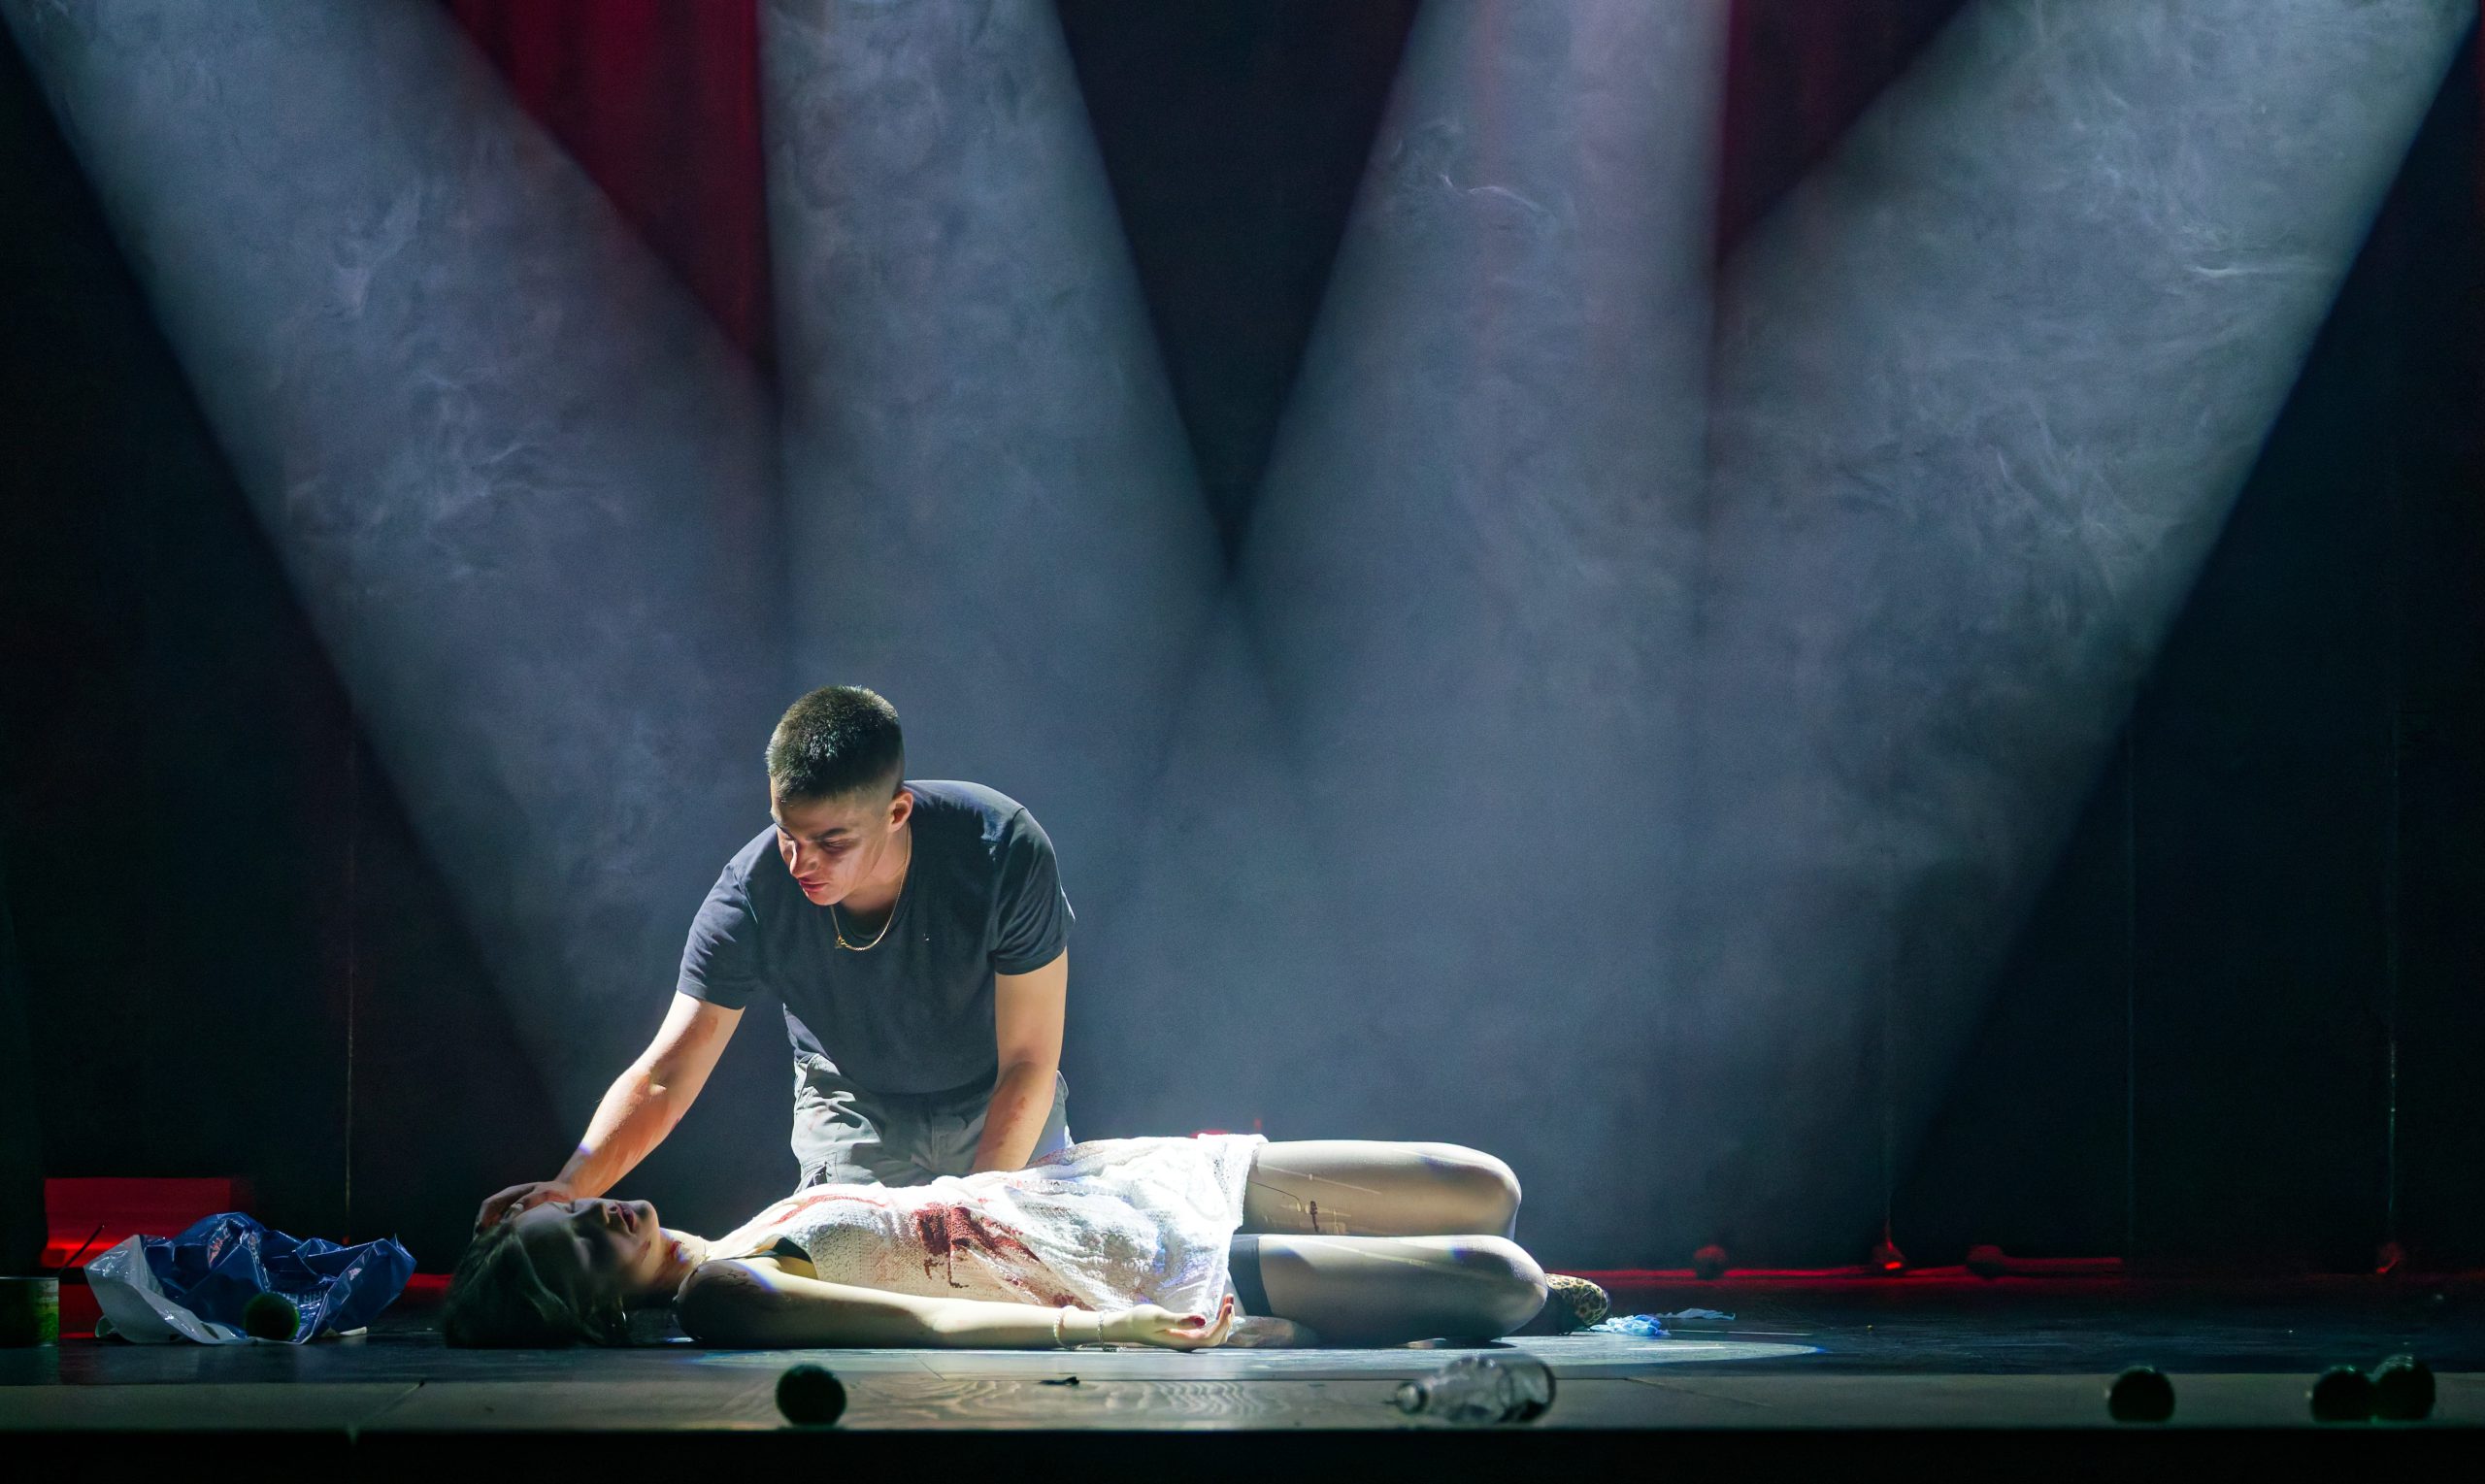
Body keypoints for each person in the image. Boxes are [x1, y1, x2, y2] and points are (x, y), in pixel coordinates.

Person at [477, 686, 1080, 1233]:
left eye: (831, 842)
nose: (799, 862)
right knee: (847, 1283)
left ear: (897, 813)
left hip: (996, 1092)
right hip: (853, 1106)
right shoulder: (752, 890)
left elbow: (1029, 1060)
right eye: (787, 832)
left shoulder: (1002, 848)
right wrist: (570, 1185)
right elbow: (668, 1072)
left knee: (1026, 1269)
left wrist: (975, 1215)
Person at [443, 1136, 1573, 1349]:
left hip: (1123, 1185)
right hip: (1126, 1266)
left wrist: (533, 1207)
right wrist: (1100, 1327)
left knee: (1488, 1184)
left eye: (573, 1207)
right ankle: (1503, 1302)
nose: (595, 1213)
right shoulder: (721, 1292)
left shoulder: (745, 1226)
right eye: (580, 1245)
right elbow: (924, 1315)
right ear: (599, 1308)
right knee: (1503, 1279)